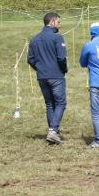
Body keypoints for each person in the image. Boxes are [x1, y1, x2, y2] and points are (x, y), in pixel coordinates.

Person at [27, 12, 68, 144]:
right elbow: (61, 58)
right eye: (59, 22)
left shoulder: (34, 39)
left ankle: (52, 132)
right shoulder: (57, 38)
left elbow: (30, 59)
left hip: (42, 77)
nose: (60, 26)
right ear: (52, 22)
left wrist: (39, 68)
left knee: (50, 104)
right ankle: (53, 130)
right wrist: (64, 69)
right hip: (56, 76)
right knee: (61, 103)